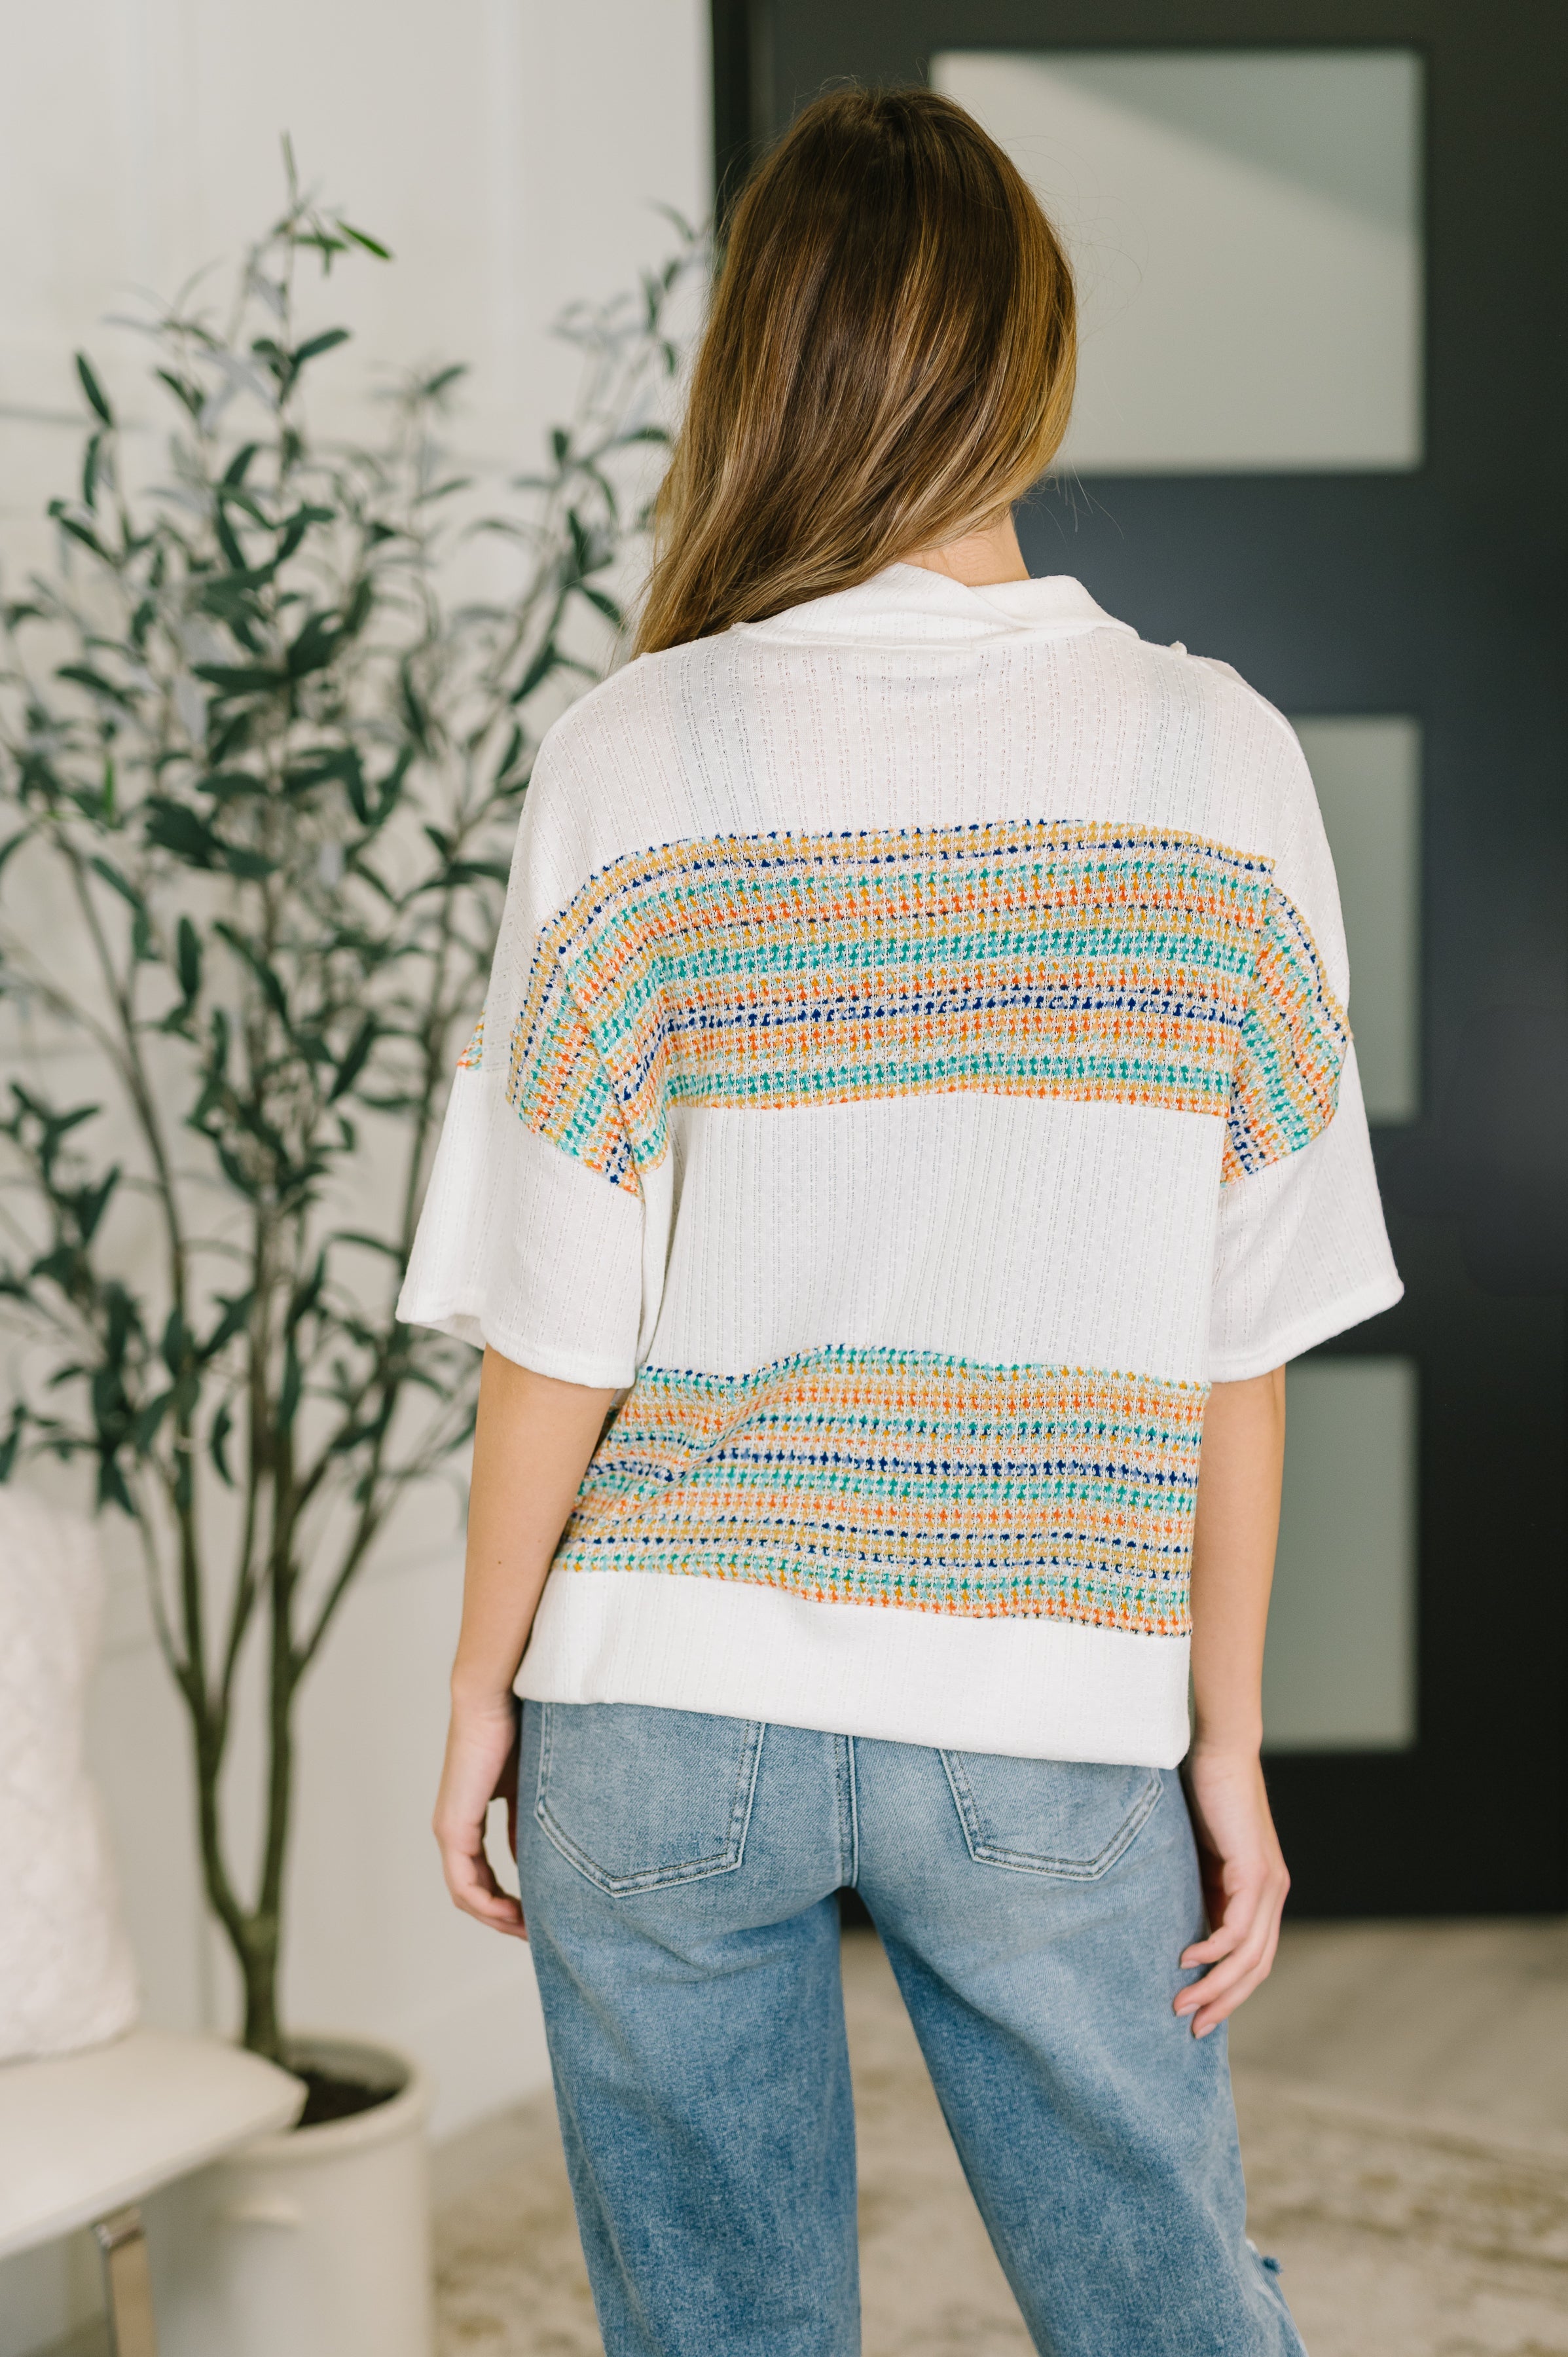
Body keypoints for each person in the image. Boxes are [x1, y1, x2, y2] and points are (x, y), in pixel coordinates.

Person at [402, 84, 1400, 2357]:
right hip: (1046, 1704)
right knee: (1167, 2317)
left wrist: (482, 1694)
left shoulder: (634, 754)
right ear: (1026, 360)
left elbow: (558, 1322)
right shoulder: (1214, 761)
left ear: (758, 368)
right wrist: (1216, 1743)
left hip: (654, 1702)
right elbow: (1234, 1335)